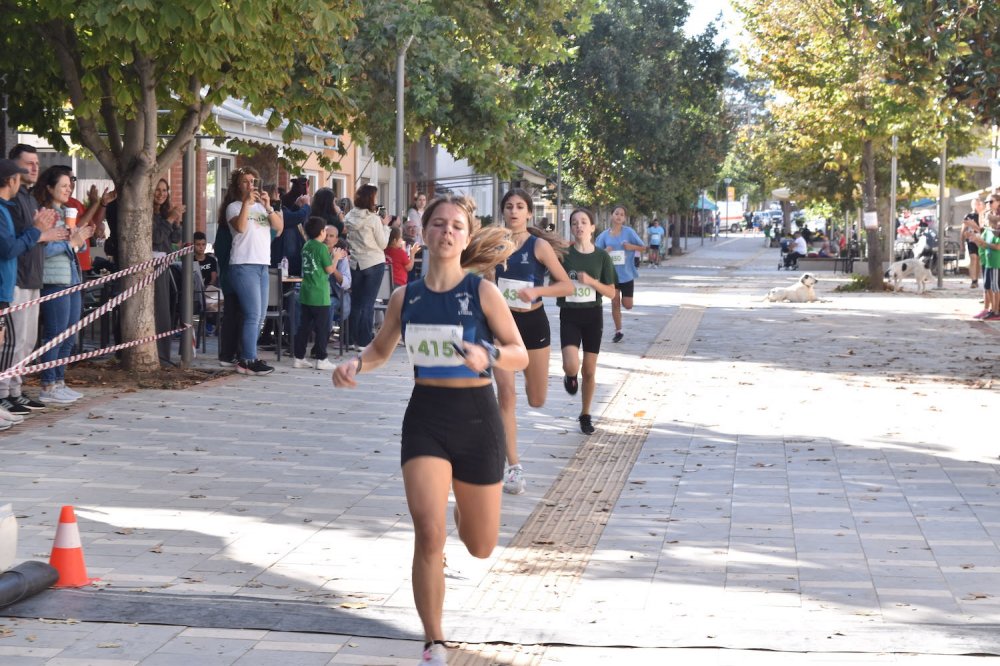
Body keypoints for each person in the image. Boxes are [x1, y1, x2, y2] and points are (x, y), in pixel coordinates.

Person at [332, 195, 528, 666]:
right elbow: (381, 350)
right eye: (437, 224)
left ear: (466, 235)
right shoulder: (406, 296)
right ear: (425, 232)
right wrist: (357, 363)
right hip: (427, 418)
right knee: (428, 532)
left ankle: (463, 500)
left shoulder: (483, 293)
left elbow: (518, 351)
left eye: (456, 226)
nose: (446, 232)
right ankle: (433, 641)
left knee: (480, 546)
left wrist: (491, 356)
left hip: (478, 419)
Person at [494, 188, 573, 495]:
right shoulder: (495, 244)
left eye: (520, 207)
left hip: (533, 324)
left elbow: (566, 284)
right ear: (504, 212)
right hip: (503, 326)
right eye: (509, 206)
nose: (514, 211)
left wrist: (537, 292)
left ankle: (563, 371)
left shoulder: (538, 246)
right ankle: (513, 467)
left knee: (536, 399)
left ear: (528, 213)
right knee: (506, 396)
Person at [0, 159, 66, 426]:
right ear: (12, 180)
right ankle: (4, 394)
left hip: (14, 283)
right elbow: (8, 248)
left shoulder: (12, 206)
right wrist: (38, 232)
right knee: (10, 344)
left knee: (23, 342)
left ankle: (12, 392)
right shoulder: (5, 210)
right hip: (11, 284)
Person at [33, 166, 95, 404]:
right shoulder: (45, 215)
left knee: (70, 335)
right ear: (49, 188)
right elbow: (42, 249)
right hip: (54, 280)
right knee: (55, 333)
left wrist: (78, 239)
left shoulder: (65, 212)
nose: (68, 189)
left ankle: (60, 379)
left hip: (72, 278)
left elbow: (74, 246)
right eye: (63, 186)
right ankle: (48, 384)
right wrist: (71, 243)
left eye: (70, 185)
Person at [558, 209, 617, 436]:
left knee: (590, 371)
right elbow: (553, 280)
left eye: (584, 222)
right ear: (571, 228)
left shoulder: (601, 256)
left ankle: (585, 414)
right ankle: (570, 375)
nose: (579, 226)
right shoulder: (564, 254)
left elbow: (611, 293)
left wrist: (591, 281)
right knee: (572, 365)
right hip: (570, 314)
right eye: (574, 223)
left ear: (592, 228)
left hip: (593, 315)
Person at [225, 166, 283, 376]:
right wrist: (247, 205)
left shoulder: (260, 208)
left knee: (260, 316)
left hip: (262, 264)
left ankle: (248, 356)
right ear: (238, 186)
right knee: (252, 314)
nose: (251, 185)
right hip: (243, 263)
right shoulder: (234, 207)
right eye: (245, 182)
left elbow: (279, 228)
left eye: (253, 181)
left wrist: (268, 206)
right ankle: (247, 360)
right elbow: (240, 227)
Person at [345, 184, 390, 351]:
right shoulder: (373, 219)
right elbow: (383, 243)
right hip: (374, 261)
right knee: (368, 303)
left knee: (356, 302)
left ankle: (349, 339)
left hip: (355, 263)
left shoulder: (349, 216)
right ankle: (363, 341)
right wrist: (385, 225)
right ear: (371, 199)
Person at [595, 204, 645, 343]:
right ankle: (618, 331)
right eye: (617, 213)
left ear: (624, 218)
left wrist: (631, 247)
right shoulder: (604, 235)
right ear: (612, 215)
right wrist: (605, 252)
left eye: (622, 215)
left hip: (627, 275)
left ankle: (625, 304)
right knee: (615, 303)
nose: (619, 216)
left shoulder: (629, 232)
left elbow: (643, 247)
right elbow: (595, 254)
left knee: (627, 304)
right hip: (611, 275)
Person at [293, 217, 338, 370]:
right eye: (325, 230)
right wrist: (336, 258)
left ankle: (298, 357)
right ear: (321, 232)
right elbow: (329, 270)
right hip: (320, 294)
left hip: (306, 292)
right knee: (322, 328)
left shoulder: (306, 245)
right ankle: (321, 359)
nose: (326, 232)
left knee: (304, 327)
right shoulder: (321, 248)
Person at [151, 178, 184, 363]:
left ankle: (163, 353)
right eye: (157, 189)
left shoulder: (164, 212)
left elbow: (175, 238)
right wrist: (170, 219)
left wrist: (176, 221)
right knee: (159, 309)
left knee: (166, 309)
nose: (161, 193)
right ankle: (160, 355)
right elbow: (155, 238)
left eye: (165, 190)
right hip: (151, 265)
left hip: (165, 263)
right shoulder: (147, 212)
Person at [970, 213, 1000, 320]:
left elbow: (997, 247)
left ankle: (996, 311)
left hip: (995, 262)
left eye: (985, 220)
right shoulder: (987, 231)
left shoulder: (996, 233)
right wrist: (976, 240)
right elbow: (983, 245)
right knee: (988, 287)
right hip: (988, 261)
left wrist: (983, 242)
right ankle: (992, 309)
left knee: (996, 287)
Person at [323, 225, 351, 337]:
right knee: (295, 300)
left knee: (328, 303)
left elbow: (346, 283)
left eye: (331, 236)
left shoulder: (341, 258)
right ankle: (293, 339)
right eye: (326, 235)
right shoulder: (315, 252)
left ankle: (323, 337)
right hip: (316, 292)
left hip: (336, 296)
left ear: (336, 240)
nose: (327, 238)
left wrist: (333, 267)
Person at [193, 231, 221, 334]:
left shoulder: (211, 260)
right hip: (195, 289)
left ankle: (210, 324)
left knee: (213, 294)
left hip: (208, 288)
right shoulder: (190, 259)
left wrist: (208, 285)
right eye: (198, 245)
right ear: (193, 245)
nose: (201, 247)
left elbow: (214, 276)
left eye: (203, 244)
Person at [962, 198, 984, 289]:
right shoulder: (968, 216)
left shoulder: (983, 215)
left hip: (981, 239)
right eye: (975, 204)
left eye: (978, 204)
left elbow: (983, 229)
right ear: (972, 205)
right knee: (973, 257)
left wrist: (975, 226)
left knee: (978, 259)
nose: (976, 206)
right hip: (971, 239)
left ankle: (977, 278)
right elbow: (963, 229)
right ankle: (973, 280)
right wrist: (962, 242)